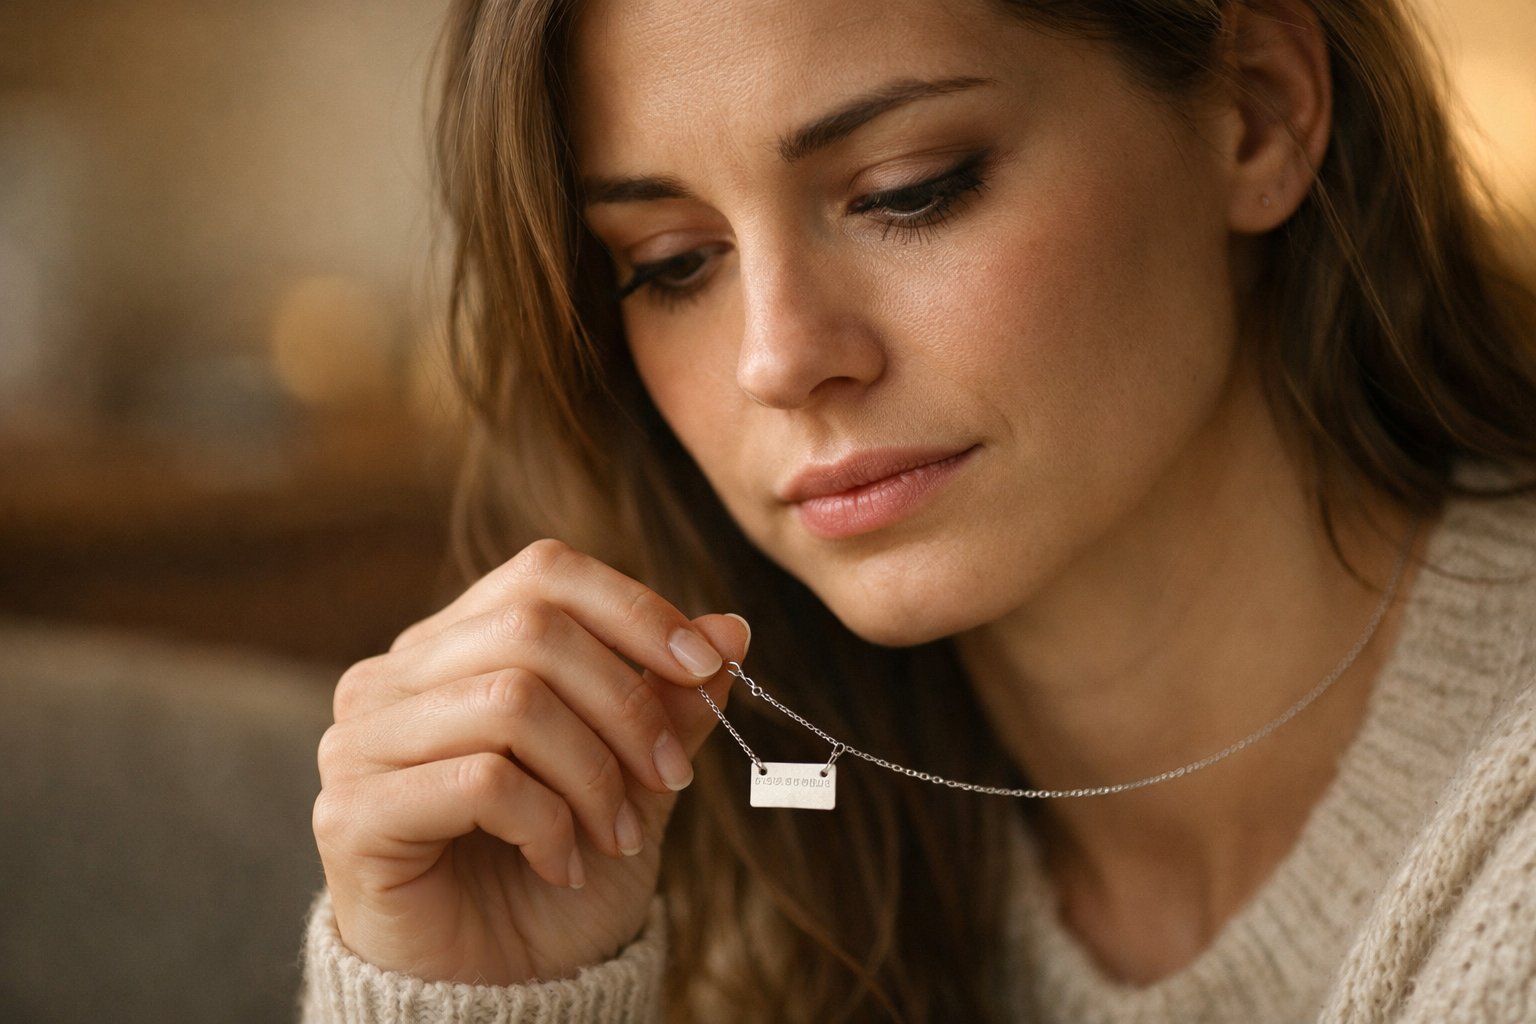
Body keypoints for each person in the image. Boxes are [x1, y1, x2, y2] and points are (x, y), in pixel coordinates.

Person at [300, 0, 1536, 1020]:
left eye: (908, 189)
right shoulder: (752, 852)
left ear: (1258, 112)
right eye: (672, 262)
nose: (776, 360)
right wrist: (484, 996)